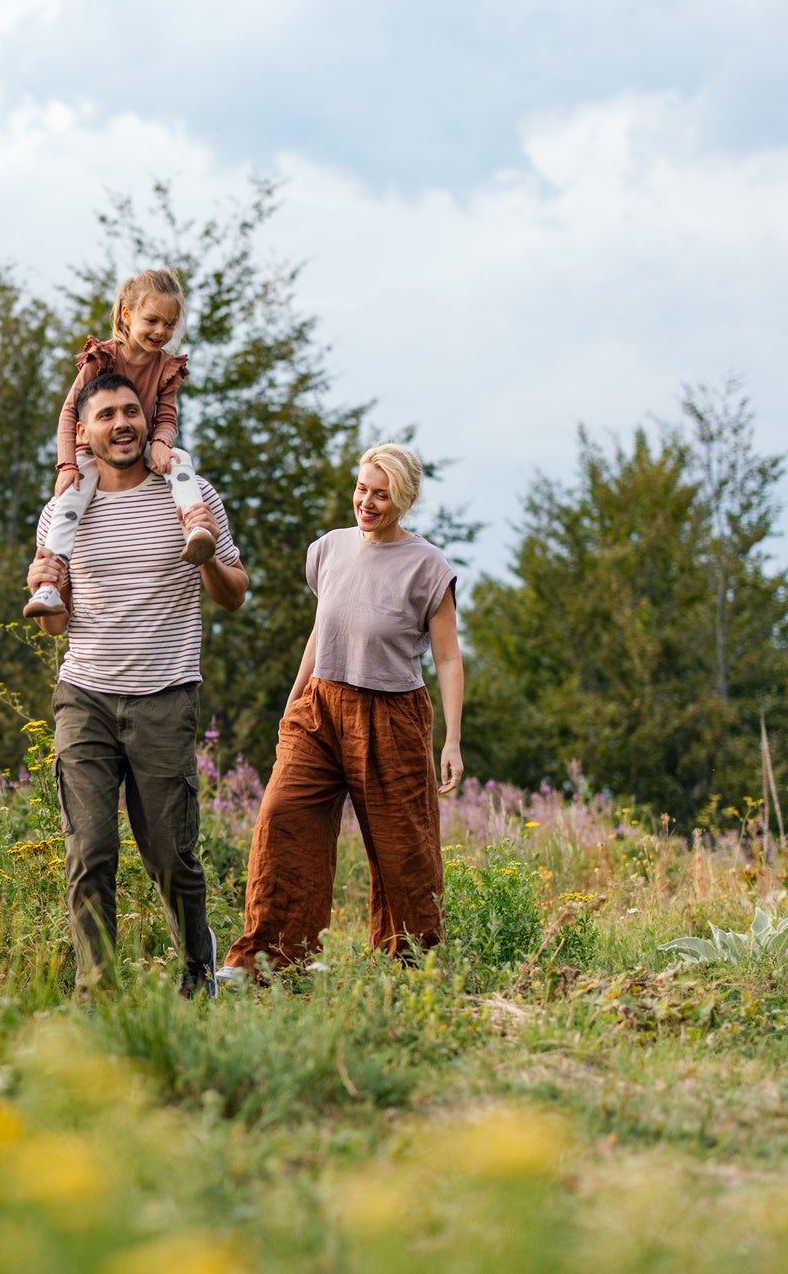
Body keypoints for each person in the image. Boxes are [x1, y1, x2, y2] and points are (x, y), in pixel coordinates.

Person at [27, 370, 250, 997]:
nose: (122, 423)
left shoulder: (190, 494)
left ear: (146, 418)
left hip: (165, 694)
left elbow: (235, 594)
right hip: (85, 697)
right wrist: (46, 595)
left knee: (169, 855)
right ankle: (97, 992)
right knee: (90, 850)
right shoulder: (63, 511)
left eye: (131, 410)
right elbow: (55, 628)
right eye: (106, 415)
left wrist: (204, 559)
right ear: (84, 431)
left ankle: (197, 975)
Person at [220, 443, 463, 979]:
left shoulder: (428, 567)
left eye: (382, 494)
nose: (367, 503)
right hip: (321, 707)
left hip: (393, 717)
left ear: (406, 498)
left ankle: (412, 967)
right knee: (283, 818)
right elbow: (322, 632)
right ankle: (270, 961)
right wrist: (294, 703)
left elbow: (447, 657)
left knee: (404, 849)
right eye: (362, 489)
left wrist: (451, 741)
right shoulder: (327, 549)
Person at [24, 268, 215, 619]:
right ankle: (50, 585)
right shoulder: (105, 357)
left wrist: (160, 442)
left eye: (169, 324)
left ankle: (196, 526)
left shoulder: (166, 367)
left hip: (141, 444)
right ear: (128, 316)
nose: (161, 332)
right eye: (153, 320)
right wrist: (67, 464)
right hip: (92, 451)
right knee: (69, 502)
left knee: (179, 460)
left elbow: (168, 415)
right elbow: (70, 412)